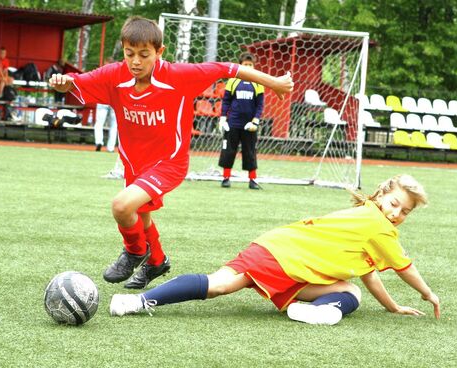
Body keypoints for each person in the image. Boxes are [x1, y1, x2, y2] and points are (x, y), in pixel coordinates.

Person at [49, 16, 293, 290]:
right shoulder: (115, 76)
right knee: (140, 215)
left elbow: (229, 68)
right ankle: (157, 261)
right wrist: (64, 82)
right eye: (130, 54)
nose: (136, 62)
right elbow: (78, 81)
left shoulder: (178, 76)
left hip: (169, 163)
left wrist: (273, 82)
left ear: (159, 52)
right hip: (135, 164)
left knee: (121, 206)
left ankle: (134, 251)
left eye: (144, 54)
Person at [109, 174, 441, 326]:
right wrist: (428, 293)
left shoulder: (369, 221)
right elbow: (404, 268)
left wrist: (394, 307)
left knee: (350, 290)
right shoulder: (378, 225)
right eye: (395, 204)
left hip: (286, 259)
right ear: (382, 194)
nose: (397, 213)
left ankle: (313, 312)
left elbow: (370, 276)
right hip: (280, 254)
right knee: (219, 285)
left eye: (405, 211)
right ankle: (136, 301)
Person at [217, 52, 265, 190]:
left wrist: (255, 121)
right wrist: (223, 118)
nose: (248, 67)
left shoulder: (258, 83)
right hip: (233, 123)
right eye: (245, 65)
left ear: (254, 66)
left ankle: (253, 180)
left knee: (250, 151)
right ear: (240, 65)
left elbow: (260, 104)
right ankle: (226, 178)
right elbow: (226, 101)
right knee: (228, 151)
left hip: (249, 125)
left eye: (251, 65)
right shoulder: (233, 81)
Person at [93, 57, 118, 152]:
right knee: (114, 125)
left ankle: (99, 141)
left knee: (99, 123)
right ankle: (110, 147)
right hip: (114, 101)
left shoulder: (102, 73)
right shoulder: (117, 74)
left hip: (102, 100)